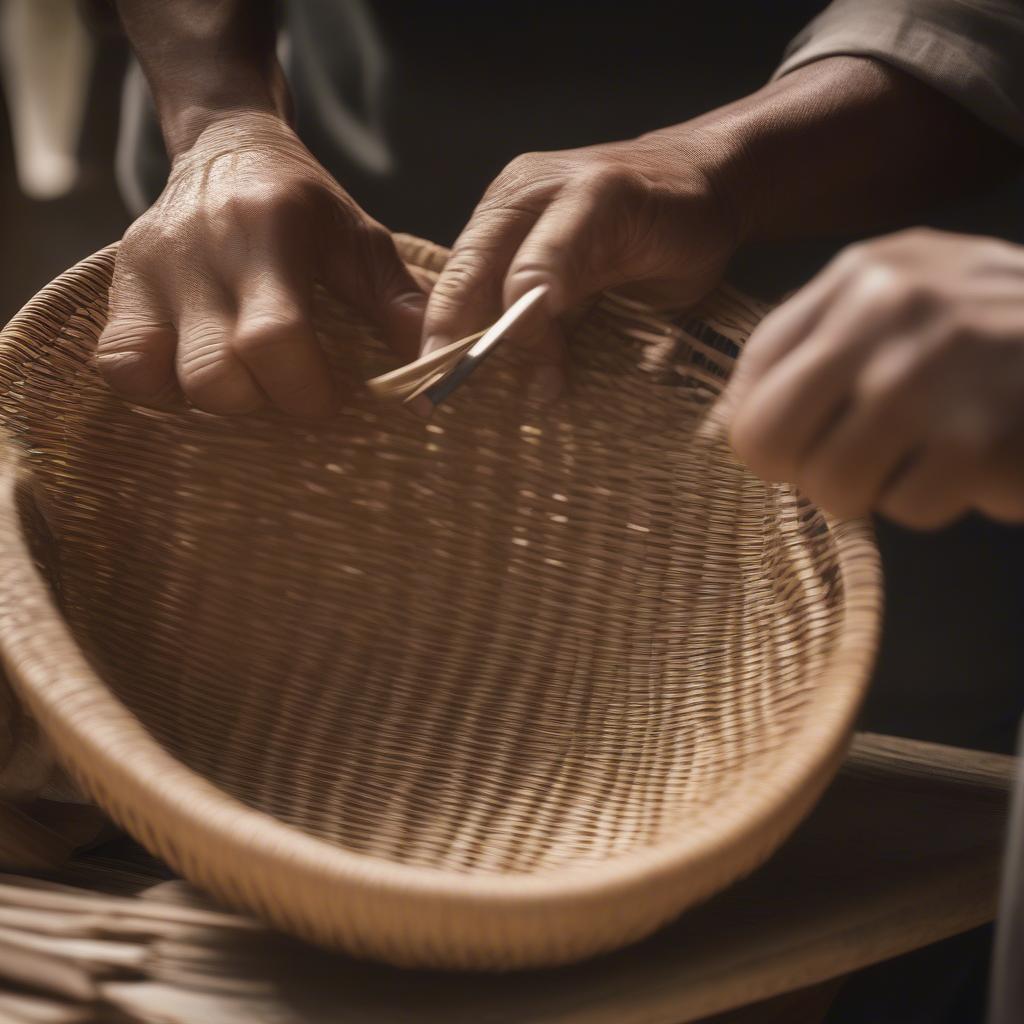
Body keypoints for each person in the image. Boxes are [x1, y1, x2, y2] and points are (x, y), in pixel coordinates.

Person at [97, 2, 1024, 1020]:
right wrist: (221, 115)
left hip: (858, 273)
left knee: (881, 887)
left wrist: (723, 161)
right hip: (320, 205)